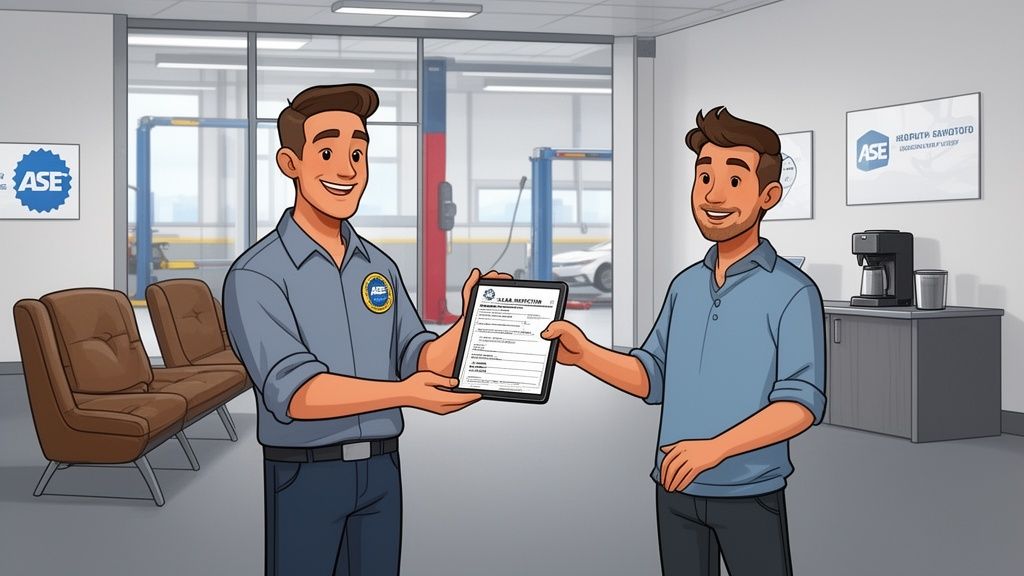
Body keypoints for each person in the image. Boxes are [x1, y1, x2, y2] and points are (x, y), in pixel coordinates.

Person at [223, 83, 504, 576]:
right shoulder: (257, 275)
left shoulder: (379, 265)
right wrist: (405, 395)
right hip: (305, 474)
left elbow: (418, 356)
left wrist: (475, 318)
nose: (347, 169)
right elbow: (297, 395)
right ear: (290, 164)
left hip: (381, 471)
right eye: (327, 151)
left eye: (358, 151)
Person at [543, 107, 826, 576]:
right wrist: (586, 354)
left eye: (735, 181)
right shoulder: (685, 286)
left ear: (768, 196)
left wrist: (714, 449)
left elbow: (800, 405)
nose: (713, 194)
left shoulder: (793, 292)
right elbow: (652, 377)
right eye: (703, 177)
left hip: (748, 491)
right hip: (674, 486)